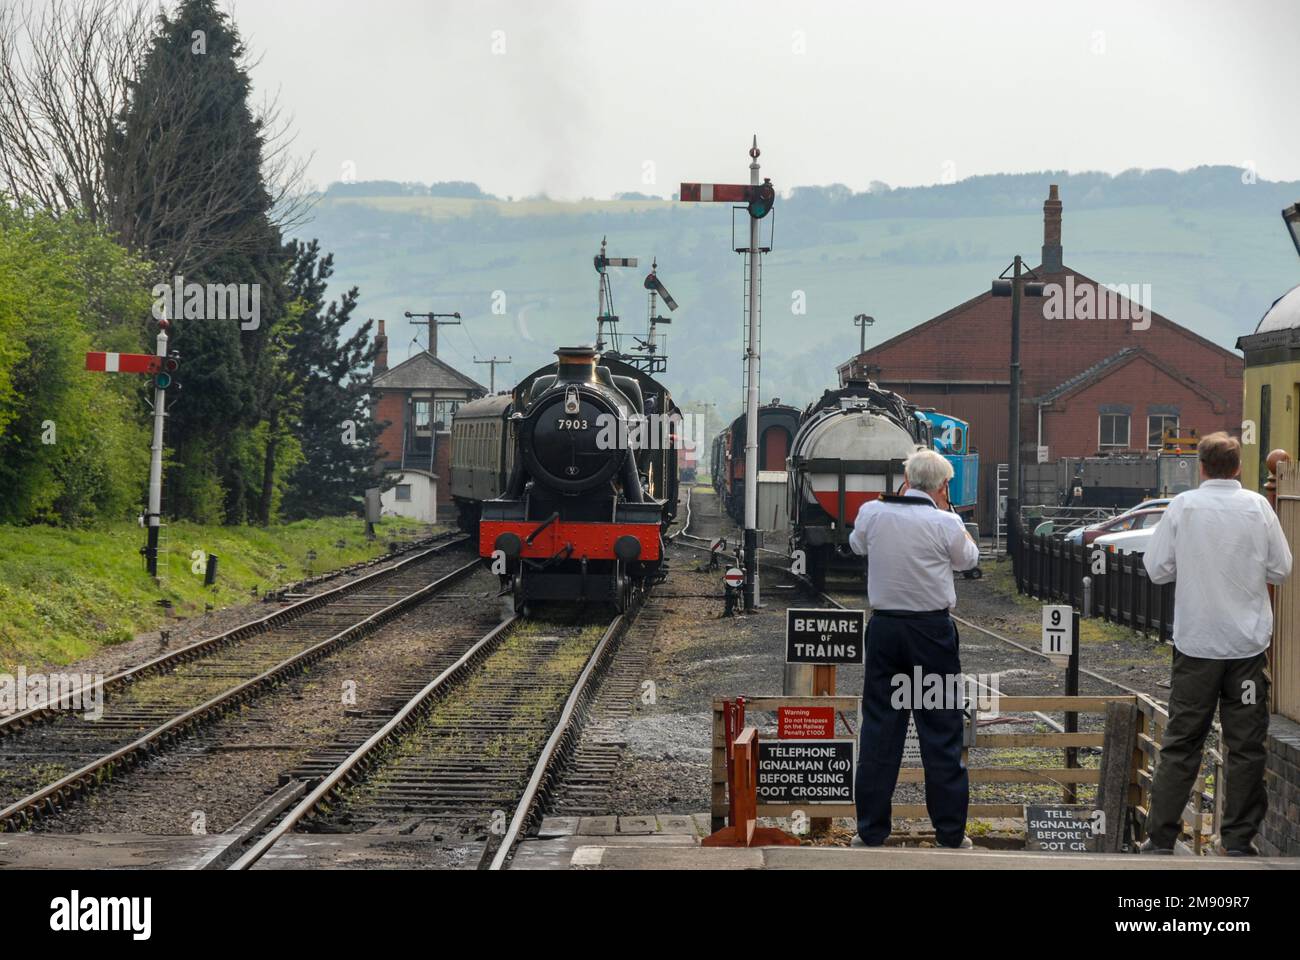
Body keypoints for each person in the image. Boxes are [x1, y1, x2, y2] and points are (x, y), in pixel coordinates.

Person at [1141, 431, 1291, 856]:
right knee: (1245, 744)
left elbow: (1156, 569)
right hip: (1246, 648)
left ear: (1200, 466)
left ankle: (1161, 838)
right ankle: (1239, 840)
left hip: (1197, 646)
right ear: (1239, 468)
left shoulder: (1184, 507)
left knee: (1183, 740)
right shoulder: (1259, 506)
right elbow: (1281, 569)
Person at [848, 448, 981, 848]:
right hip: (932, 634)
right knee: (940, 730)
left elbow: (857, 546)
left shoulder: (873, 512)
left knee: (880, 728)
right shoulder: (946, 521)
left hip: (886, 630)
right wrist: (950, 513)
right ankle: (950, 833)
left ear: (905, 480)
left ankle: (870, 831)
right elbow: (968, 560)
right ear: (942, 486)